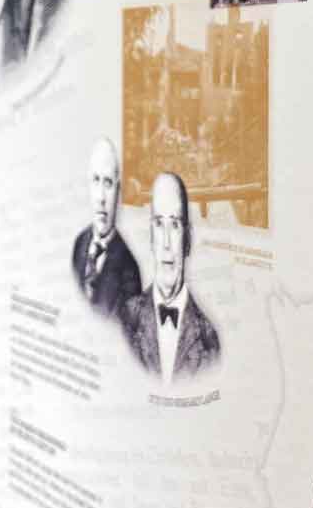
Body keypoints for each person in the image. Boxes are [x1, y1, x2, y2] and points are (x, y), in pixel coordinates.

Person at [120, 172, 221, 383]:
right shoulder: (125, 321)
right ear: (151, 236)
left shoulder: (209, 340)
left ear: (187, 240)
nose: (166, 243)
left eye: (174, 225)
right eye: (159, 224)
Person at [71, 138, 141, 317]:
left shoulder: (130, 272)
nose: (101, 197)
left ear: (118, 192)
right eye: (96, 180)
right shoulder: (79, 244)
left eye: (108, 183)